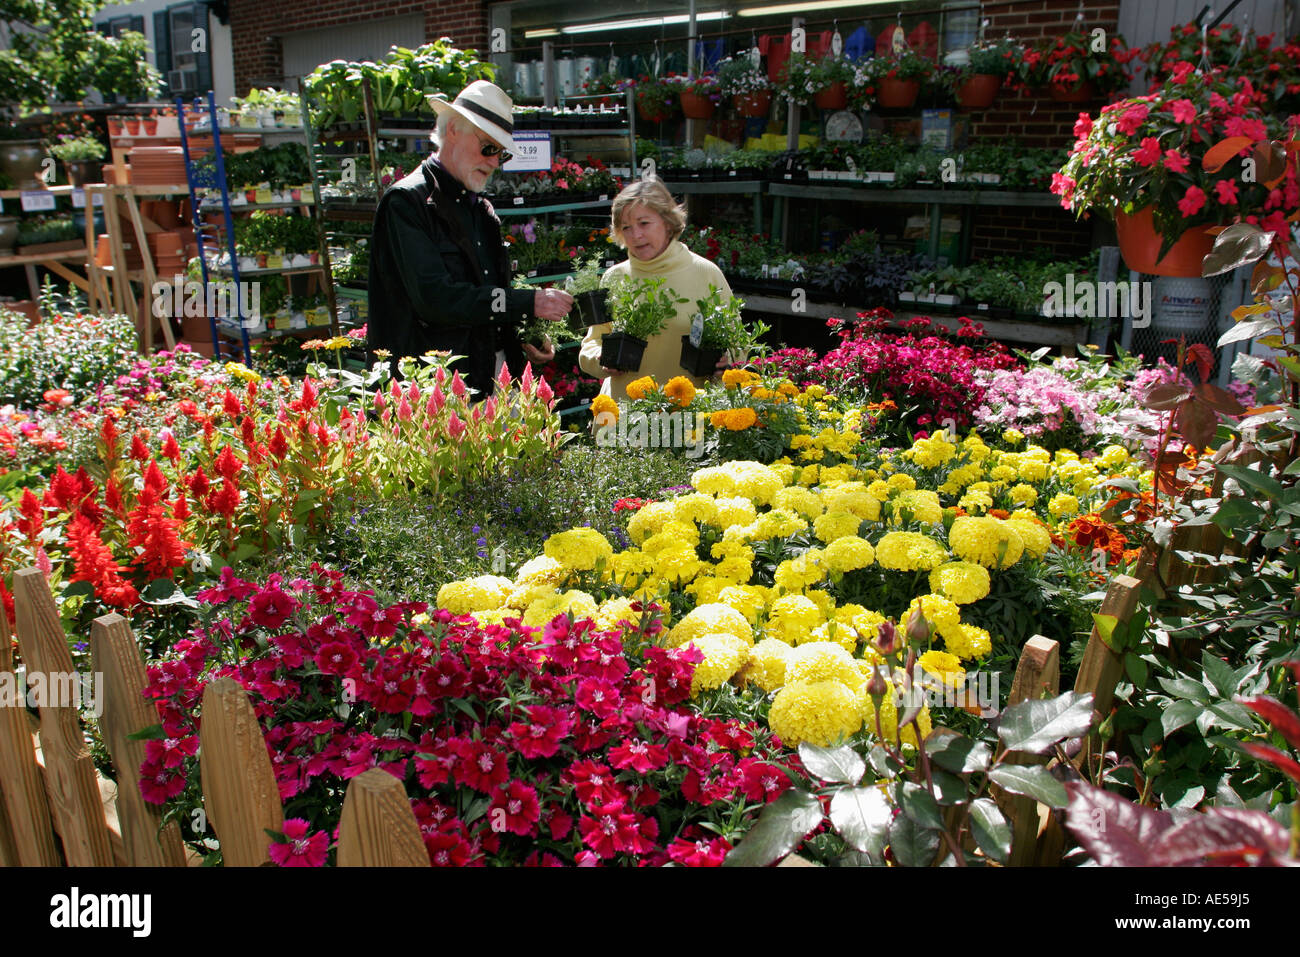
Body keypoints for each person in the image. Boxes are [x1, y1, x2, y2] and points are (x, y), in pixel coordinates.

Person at [367, 80, 573, 396]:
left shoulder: (480, 208)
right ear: (452, 131)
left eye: (501, 154)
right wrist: (528, 303)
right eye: (489, 147)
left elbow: (490, 293)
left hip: (494, 380)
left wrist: (524, 332)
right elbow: (437, 299)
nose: (494, 162)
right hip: (435, 391)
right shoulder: (406, 203)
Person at [578, 177, 732, 400]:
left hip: (687, 417)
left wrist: (726, 361)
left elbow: (737, 345)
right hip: (625, 419)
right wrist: (601, 359)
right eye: (626, 228)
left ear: (668, 222)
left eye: (644, 223)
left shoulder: (705, 273)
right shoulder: (614, 278)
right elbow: (592, 343)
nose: (636, 235)